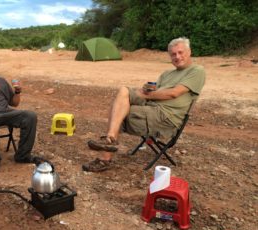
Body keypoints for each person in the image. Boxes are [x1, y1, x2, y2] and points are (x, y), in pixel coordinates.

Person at [82, 37, 206, 172]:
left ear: (189, 52)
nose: (177, 56)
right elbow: (156, 91)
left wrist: (146, 95)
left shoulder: (197, 71)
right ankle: (110, 139)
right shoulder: (167, 73)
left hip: (165, 117)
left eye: (180, 52)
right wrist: (148, 90)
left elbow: (174, 93)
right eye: (173, 54)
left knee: (118, 112)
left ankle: (104, 157)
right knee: (123, 92)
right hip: (151, 106)